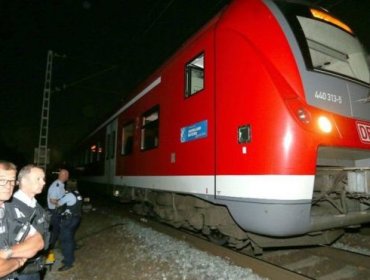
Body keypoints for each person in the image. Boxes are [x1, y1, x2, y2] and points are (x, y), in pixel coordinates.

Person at [0, 161, 44, 279]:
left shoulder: (9, 210)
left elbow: (38, 241)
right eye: (2, 180)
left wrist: (6, 253)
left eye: (11, 181)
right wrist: (18, 262)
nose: (8, 185)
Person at [57, 180, 82, 271]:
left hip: (69, 220)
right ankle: (72, 250)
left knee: (65, 241)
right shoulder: (77, 193)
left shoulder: (69, 195)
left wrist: (57, 199)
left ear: (68, 186)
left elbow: (59, 203)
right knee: (70, 237)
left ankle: (68, 262)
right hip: (76, 218)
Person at [47, 169, 68, 249]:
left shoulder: (61, 184)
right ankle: (50, 249)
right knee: (55, 230)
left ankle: (56, 245)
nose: (68, 177)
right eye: (67, 175)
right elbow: (52, 200)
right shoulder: (56, 185)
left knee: (58, 229)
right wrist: (61, 203)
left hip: (58, 211)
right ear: (64, 175)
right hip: (55, 211)